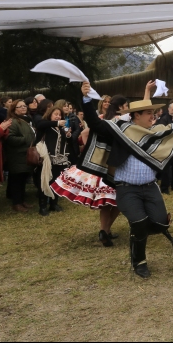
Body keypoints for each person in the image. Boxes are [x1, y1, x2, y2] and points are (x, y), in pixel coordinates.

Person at [80, 81, 173, 277]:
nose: (153, 116)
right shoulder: (119, 129)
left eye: (153, 113)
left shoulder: (154, 132)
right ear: (136, 116)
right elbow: (96, 124)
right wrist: (86, 99)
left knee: (159, 223)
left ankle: (147, 234)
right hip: (126, 188)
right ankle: (139, 261)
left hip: (150, 187)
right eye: (149, 113)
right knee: (139, 222)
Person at [52, 93, 131, 246]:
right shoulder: (122, 121)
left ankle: (105, 230)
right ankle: (105, 229)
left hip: (100, 165)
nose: (128, 110)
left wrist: (90, 149)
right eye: (127, 106)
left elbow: (85, 133)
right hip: (114, 166)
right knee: (117, 201)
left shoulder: (104, 119)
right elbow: (85, 132)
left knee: (107, 202)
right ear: (121, 107)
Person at [33, 106, 79, 216]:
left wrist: (67, 135)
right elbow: (40, 125)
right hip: (47, 159)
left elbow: (66, 141)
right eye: (56, 114)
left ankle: (54, 204)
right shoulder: (45, 125)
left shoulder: (61, 128)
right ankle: (43, 206)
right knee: (45, 181)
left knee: (57, 181)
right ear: (50, 115)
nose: (58, 116)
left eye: (60, 115)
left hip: (61, 159)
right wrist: (57, 123)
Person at [4, 100, 36, 213]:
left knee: (22, 180)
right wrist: (26, 140)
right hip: (17, 155)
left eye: (24, 106)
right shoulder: (13, 122)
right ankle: (16, 203)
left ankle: (22, 201)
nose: (23, 108)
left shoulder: (26, 120)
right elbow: (10, 138)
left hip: (25, 155)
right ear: (14, 109)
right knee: (16, 181)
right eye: (20, 106)